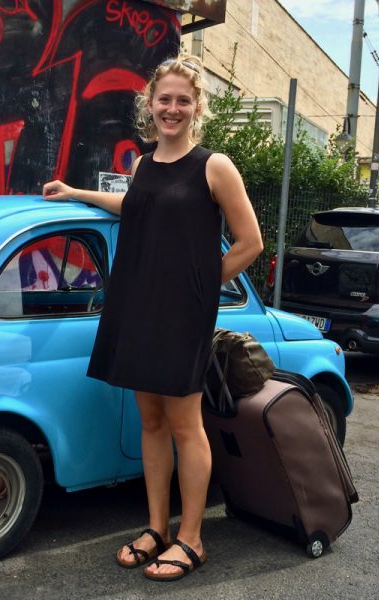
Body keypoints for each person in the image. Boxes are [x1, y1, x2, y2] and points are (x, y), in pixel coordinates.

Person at [42, 54, 263, 582]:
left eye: (182, 100)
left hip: (183, 314)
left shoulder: (215, 166)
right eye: (163, 98)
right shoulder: (142, 165)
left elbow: (251, 242)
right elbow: (133, 205)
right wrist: (75, 193)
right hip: (136, 305)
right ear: (150, 103)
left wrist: (203, 285)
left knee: (187, 426)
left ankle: (192, 538)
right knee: (151, 421)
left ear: (196, 107)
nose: (172, 108)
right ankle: (156, 527)